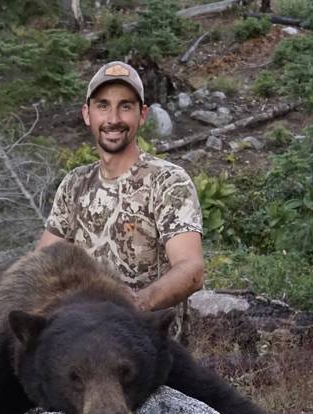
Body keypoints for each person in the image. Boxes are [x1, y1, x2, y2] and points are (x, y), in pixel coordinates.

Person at [37, 61, 204, 339]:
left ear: (143, 115)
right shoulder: (74, 184)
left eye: (125, 106)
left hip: (146, 345)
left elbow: (192, 270)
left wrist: (137, 303)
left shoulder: (168, 182)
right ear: (87, 114)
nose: (113, 119)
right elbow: (42, 264)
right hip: (82, 341)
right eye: (102, 105)